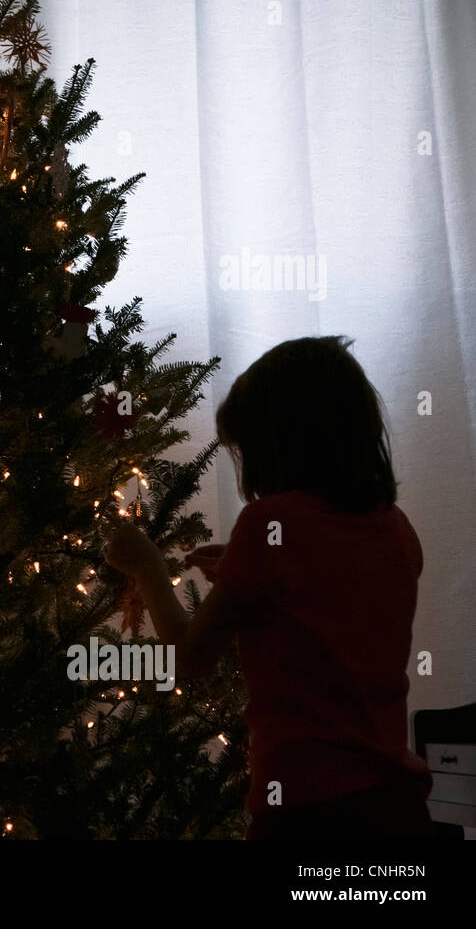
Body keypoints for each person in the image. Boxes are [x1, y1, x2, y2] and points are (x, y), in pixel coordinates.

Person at [103, 335, 433, 840]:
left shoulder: (268, 523)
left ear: (278, 443)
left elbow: (191, 658)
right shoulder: (396, 527)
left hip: (306, 811)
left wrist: (146, 567)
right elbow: (327, 596)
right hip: (397, 806)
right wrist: (242, 573)